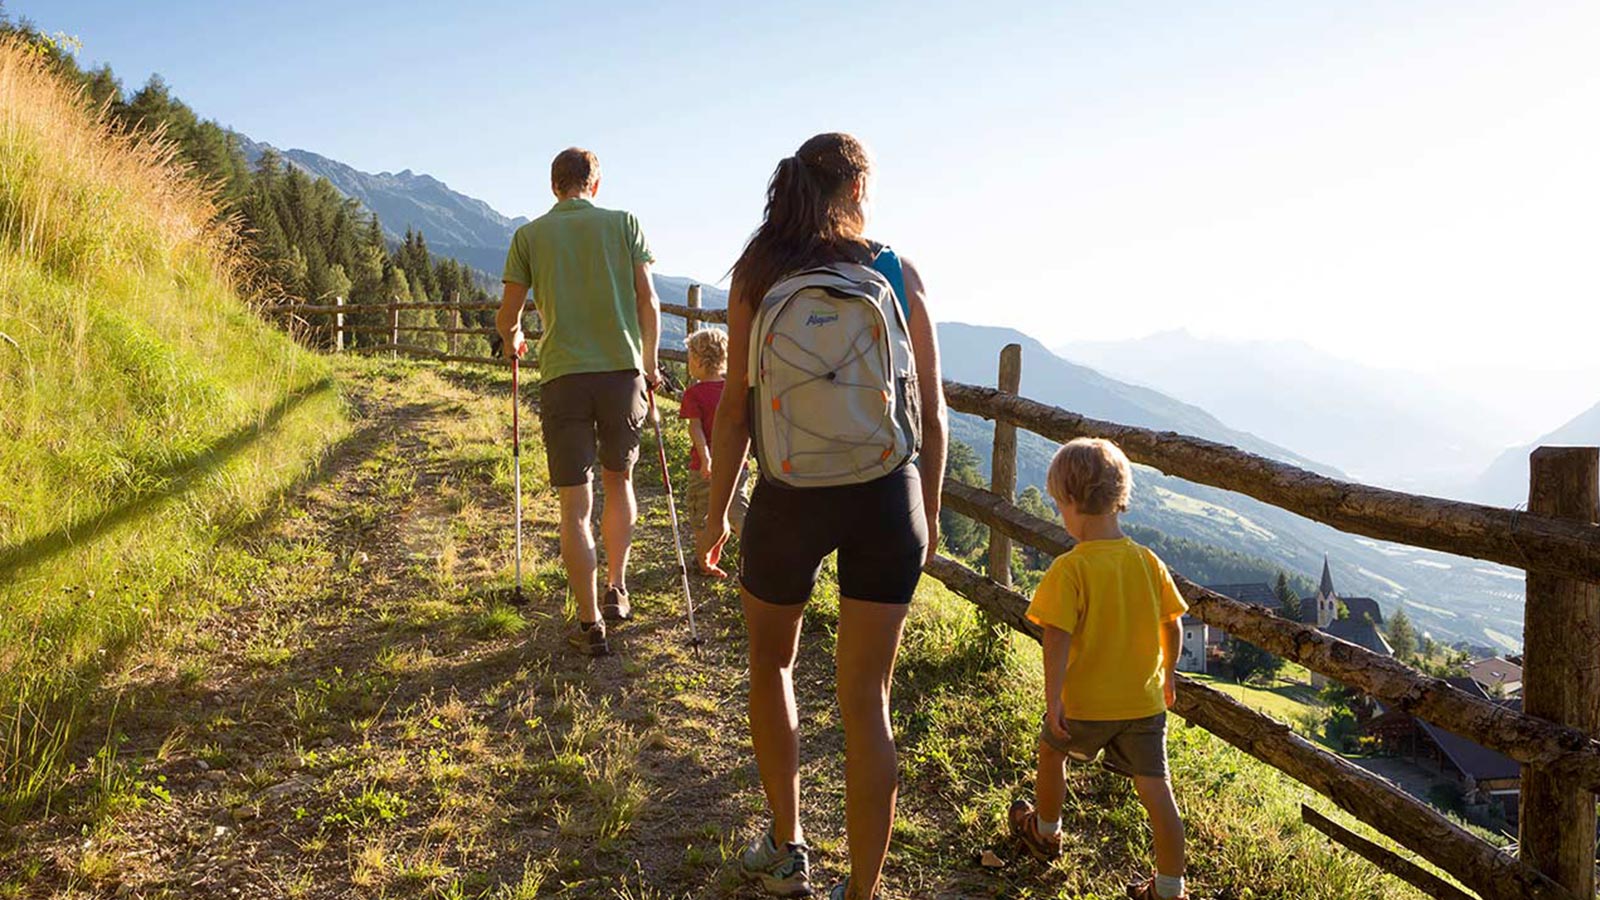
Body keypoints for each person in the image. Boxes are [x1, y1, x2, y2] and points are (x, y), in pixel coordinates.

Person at [695, 133, 948, 900]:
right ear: (858, 186)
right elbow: (931, 412)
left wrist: (717, 518)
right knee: (868, 697)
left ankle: (786, 843)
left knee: (772, 665)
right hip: (885, 493)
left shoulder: (759, 269)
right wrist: (926, 511)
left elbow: (736, 410)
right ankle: (862, 893)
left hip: (789, 496)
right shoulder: (895, 271)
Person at [1008, 437, 1190, 900]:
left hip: (1087, 704)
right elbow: (1173, 624)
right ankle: (1169, 889)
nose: (1059, 514)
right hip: (1144, 703)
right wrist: (1168, 674)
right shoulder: (1148, 562)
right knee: (1157, 792)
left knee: (1052, 755)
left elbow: (1056, 638)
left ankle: (1045, 833)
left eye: (1057, 504)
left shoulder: (1070, 569)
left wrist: (1054, 701)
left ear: (1071, 501)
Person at [498, 147, 660, 657]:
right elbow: (649, 300)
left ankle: (589, 623)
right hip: (622, 373)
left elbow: (508, 316)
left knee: (575, 505)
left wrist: (515, 339)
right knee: (619, 481)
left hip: (564, 376)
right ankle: (617, 587)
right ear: (596, 184)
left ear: (554, 187)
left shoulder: (529, 235)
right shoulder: (624, 223)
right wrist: (651, 365)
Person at [679, 327, 749, 539]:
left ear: (699, 361)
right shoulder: (733, 390)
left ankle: (704, 561)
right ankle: (754, 549)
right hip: (736, 462)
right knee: (738, 508)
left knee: (702, 512)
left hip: (703, 466)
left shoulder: (693, 394)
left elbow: (695, 428)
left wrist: (705, 457)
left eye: (690, 357)